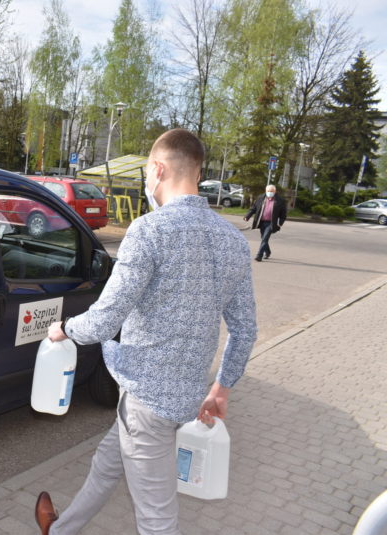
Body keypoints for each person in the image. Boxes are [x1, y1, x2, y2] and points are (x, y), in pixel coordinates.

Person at [35, 129, 258, 535]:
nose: (145, 184)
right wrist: (220, 389)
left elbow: (105, 319)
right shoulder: (233, 240)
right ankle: (60, 529)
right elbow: (245, 331)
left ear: (157, 168)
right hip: (188, 393)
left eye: (145, 174)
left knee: (157, 520)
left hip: (147, 401)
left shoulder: (149, 231)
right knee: (106, 466)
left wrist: (63, 329)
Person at [244, 184, 287, 261]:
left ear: (275, 191)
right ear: (265, 191)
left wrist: (280, 222)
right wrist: (247, 216)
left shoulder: (280, 200)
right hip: (262, 222)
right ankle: (268, 251)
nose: (270, 192)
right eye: (268, 191)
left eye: (271, 191)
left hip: (271, 223)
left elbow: (283, 213)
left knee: (265, 238)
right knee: (263, 238)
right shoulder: (261, 198)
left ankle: (259, 255)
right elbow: (253, 208)